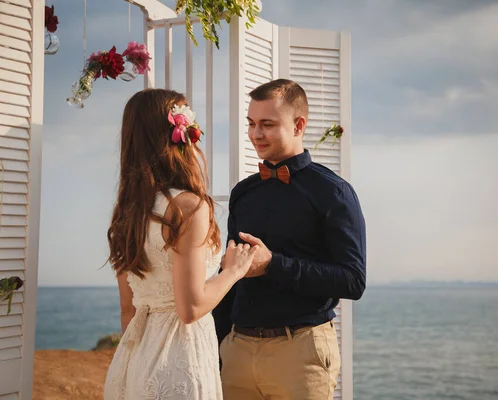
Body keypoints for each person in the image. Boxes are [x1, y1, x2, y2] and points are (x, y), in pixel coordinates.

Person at [213, 79, 367, 400]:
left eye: (267, 124)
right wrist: (216, 348)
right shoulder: (243, 193)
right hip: (237, 352)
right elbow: (229, 277)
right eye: (252, 124)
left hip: (301, 353)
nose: (256, 134)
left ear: (298, 125)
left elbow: (353, 281)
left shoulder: (334, 193)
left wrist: (273, 265)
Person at [103, 88, 258, 400]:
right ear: (176, 135)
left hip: (134, 361)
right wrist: (233, 270)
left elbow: (127, 310)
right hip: (181, 360)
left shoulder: (128, 213)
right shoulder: (187, 207)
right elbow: (190, 308)